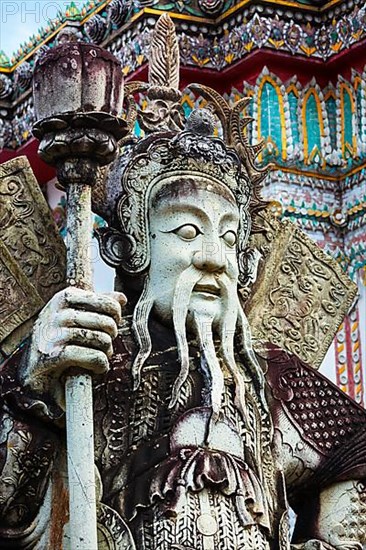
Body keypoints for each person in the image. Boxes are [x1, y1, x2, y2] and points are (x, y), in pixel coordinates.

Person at [1, 14, 366, 550]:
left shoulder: (272, 382)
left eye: (229, 235)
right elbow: (10, 513)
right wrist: (32, 376)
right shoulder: (90, 371)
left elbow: (357, 451)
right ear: (132, 248)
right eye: (188, 231)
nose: (214, 257)